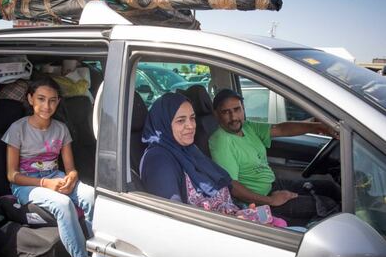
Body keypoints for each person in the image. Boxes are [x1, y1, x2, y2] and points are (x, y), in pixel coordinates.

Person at [2, 78, 95, 257]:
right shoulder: (18, 129)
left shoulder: (61, 129)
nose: (47, 106)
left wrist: (71, 179)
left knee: (91, 195)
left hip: (55, 177)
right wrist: (45, 184)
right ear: (30, 98)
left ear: (58, 102)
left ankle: (98, 254)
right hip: (26, 185)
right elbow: (11, 175)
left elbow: (71, 169)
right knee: (63, 205)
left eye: (52, 101)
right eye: (41, 99)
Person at [140, 92, 287, 227]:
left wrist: (240, 214)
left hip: (232, 217)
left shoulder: (189, 150)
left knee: (285, 226)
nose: (190, 126)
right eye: (180, 120)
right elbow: (174, 220)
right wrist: (234, 224)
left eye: (192, 118)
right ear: (164, 123)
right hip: (214, 232)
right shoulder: (158, 161)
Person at [209, 89, 340, 226]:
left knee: (330, 188)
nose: (234, 117)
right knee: (328, 205)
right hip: (259, 203)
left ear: (243, 108)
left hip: (272, 184)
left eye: (237, 109)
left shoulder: (247, 127)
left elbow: (281, 129)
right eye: (226, 112)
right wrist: (271, 200)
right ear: (216, 114)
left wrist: (318, 127)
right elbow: (233, 187)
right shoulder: (221, 141)